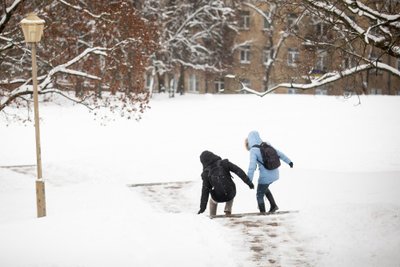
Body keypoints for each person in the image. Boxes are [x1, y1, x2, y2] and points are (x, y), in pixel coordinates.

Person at [245, 131, 293, 213]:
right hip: (275, 173)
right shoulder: (267, 144)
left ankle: (263, 214)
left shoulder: (253, 150)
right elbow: (279, 154)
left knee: (259, 194)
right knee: (265, 188)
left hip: (265, 176)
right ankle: (273, 206)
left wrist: (249, 180)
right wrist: (289, 162)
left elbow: (251, 167)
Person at [198, 150, 254, 216]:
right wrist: (248, 182)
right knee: (230, 190)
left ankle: (212, 216)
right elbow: (238, 171)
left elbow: (205, 191)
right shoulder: (224, 163)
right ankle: (228, 210)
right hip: (230, 193)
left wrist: (202, 208)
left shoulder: (206, 173)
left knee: (212, 201)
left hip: (217, 197)